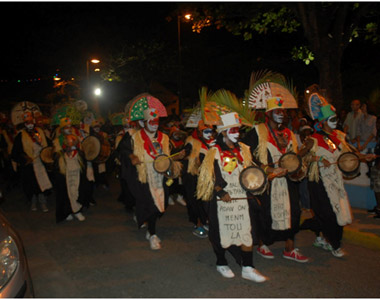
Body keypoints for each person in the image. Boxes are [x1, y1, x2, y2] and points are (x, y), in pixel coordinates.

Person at [197, 112, 267, 283]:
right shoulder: (213, 152)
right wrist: (220, 191)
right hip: (222, 201)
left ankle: (248, 268)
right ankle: (221, 262)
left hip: (242, 198)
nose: (237, 133)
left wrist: (270, 172)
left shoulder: (244, 149)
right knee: (220, 233)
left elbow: (254, 168)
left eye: (238, 129)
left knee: (247, 231)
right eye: (233, 130)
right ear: (223, 132)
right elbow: (208, 176)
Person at [302, 93, 375, 257]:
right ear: (323, 122)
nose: (335, 121)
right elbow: (301, 157)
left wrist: (364, 157)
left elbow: (349, 154)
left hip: (335, 181)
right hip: (319, 182)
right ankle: (334, 244)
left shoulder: (339, 137)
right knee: (327, 213)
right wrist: (319, 158)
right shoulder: (312, 139)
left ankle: (321, 235)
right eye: (331, 119)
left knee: (337, 211)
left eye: (335, 118)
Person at [242, 97, 309, 263]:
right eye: (277, 111)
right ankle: (263, 243)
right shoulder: (257, 131)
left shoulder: (288, 133)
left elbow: (293, 157)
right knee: (266, 212)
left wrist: (298, 165)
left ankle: (290, 247)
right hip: (268, 181)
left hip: (287, 181)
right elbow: (245, 154)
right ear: (269, 113)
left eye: (283, 111)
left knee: (294, 211)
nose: (281, 114)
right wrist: (267, 169)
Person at [122, 107, 184, 250]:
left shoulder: (164, 137)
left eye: (156, 121)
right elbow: (123, 150)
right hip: (144, 176)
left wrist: (178, 155)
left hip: (161, 176)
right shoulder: (134, 137)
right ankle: (152, 233)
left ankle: (149, 224)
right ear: (144, 123)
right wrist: (132, 156)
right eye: (151, 121)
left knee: (161, 205)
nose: (154, 124)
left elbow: (169, 154)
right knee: (149, 204)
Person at [11, 111, 52, 212]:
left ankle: (43, 202)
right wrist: (25, 158)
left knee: (42, 183)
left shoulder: (40, 132)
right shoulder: (21, 135)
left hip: (41, 162)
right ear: (25, 124)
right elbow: (15, 152)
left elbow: (49, 145)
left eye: (31, 121)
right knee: (31, 185)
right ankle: (33, 202)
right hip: (29, 165)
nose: (30, 124)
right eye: (27, 122)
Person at [182, 120, 215, 238]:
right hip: (193, 176)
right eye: (205, 131)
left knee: (207, 201)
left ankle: (205, 220)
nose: (208, 133)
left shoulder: (213, 143)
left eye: (210, 130)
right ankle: (197, 224)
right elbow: (185, 153)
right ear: (199, 132)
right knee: (195, 201)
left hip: (208, 177)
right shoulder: (191, 141)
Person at [52, 118, 89, 222]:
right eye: (66, 127)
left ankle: (77, 211)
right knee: (65, 192)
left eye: (69, 127)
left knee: (77, 190)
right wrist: (64, 151)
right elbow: (54, 156)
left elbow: (82, 154)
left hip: (76, 170)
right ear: (61, 129)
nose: (68, 129)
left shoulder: (76, 138)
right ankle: (67, 211)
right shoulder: (56, 141)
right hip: (65, 172)